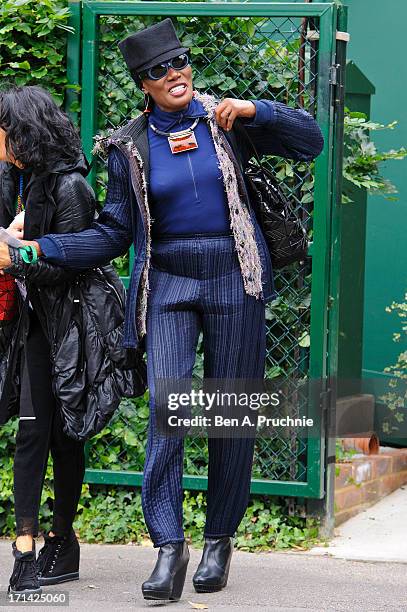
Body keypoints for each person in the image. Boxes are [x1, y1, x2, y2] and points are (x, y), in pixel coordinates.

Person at [6, 19, 324, 601]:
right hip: (169, 282)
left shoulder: (226, 122)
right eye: (157, 70)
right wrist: (38, 248)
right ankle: (168, 549)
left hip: (236, 275)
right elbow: (113, 233)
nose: (172, 74)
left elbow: (312, 140)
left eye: (178, 62)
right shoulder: (129, 146)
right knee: (165, 410)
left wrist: (257, 111)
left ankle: (219, 539)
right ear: (142, 84)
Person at [0, 85, 142, 595]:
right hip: (35, 325)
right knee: (32, 433)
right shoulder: (20, 177)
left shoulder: (70, 186)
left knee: (65, 435)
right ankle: (24, 548)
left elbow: (71, 263)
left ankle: (62, 541)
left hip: (73, 329)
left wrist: (16, 255)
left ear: (24, 132)